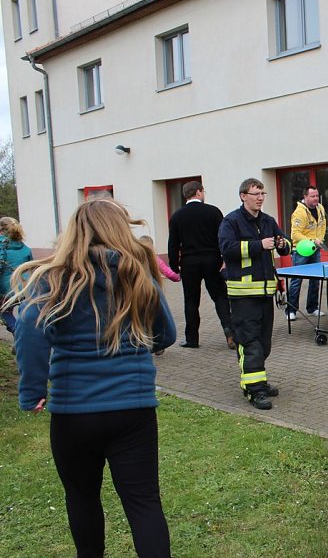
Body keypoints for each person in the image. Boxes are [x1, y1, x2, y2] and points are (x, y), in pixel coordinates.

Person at [13, 199, 176, 557]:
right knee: (144, 502)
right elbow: (166, 334)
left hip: (75, 414)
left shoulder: (54, 279)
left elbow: (28, 331)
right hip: (133, 412)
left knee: (82, 497)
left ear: (75, 231)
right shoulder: (138, 275)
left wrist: (32, 390)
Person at [219, 178, 291, 410]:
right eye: (255, 193)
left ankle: (257, 379)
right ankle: (254, 389)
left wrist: (282, 244)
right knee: (250, 342)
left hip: (265, 294)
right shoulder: (231, 221)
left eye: (262, 193)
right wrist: (258, 245)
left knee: (264, 343)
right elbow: (227, 249)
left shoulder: (268, 221)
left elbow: (285, 244)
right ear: (243, 196)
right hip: (242, 296)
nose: (260, 197)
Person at [167, 181, 234, 349]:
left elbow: (173, 245)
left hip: (189, 263)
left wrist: (175, 267)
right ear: (198, 192)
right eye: (203, 191)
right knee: (220, 296)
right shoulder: (213, 212)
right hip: (212, 260)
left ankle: (192, 339)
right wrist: (226, 259)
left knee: (191, 300)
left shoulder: (177, 216)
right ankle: (230, 332)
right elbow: (224, 237)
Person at [286, 185, 327, 321]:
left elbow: (322, 225)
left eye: (317, 196)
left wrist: (319, 240)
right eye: (312, 196)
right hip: (300, 251)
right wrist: (311, 240)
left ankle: (312, 308)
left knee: (315, 280)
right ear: (305, 197)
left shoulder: (320, 208)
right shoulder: (299, 213)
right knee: (297, 280)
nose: (316, 199)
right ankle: (291, 310)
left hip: (315, 249)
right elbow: (295, 234)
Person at [0, 216, 33, 333]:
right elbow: (31, 268)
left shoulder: (1, 248)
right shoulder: (26, 249)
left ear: (1, 231)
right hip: (25, 287)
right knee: (24, 312)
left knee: (4, 311)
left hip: (6, 290)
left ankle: (17, 332)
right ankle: (20, 339)